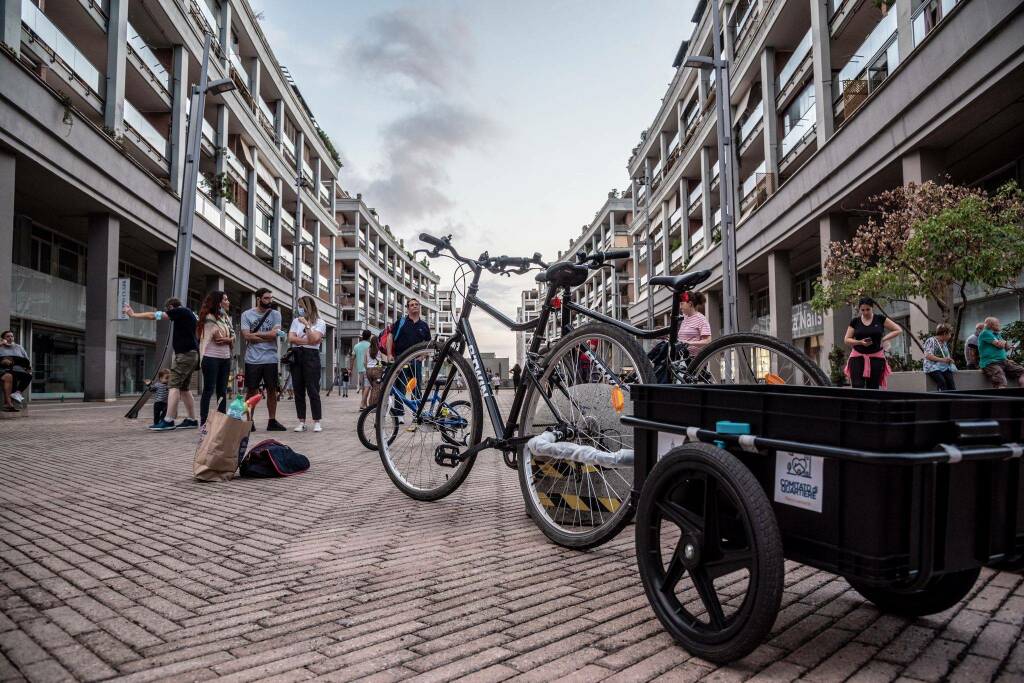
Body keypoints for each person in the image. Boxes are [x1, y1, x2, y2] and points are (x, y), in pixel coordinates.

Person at [124, 298, 199, 430]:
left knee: (173, 385)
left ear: (171, 307)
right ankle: (192, 420)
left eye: (168, 310)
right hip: (192, 354)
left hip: (185, 355)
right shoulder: (191, 314)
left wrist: (133, 314)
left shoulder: (180, 311)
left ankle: (168, 420)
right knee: (184, 388)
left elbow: (155, 315)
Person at [241, 288, 287, 431]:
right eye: (266, 298)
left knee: (272, 390)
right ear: (258, 299)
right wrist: (266, 335)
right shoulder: (247, 314)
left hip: (271, 358)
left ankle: (272, 421)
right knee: (251, 391)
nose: (270, 301)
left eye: (270, 298)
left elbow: (274, 335)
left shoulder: (275, 314)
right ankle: (250, 422)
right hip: (252, 359)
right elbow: (247, 336)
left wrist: (257, 335)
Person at [843, 297, 902, 389]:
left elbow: (898, 330)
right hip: (857, 357)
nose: (865, 312)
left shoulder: (880, 319)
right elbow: (847, 339)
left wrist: (883, 339)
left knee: (873, 387)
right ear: (859, 309)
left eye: (868, 309)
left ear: (872, 307)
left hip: (876, 357)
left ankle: (871, 403)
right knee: (857, 386)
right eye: (862, 310)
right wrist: (860, 342)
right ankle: (859, 403)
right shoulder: (855, 321)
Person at [386, 299, 431, 418]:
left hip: (416, 361)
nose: (414, 306)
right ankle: (399, 414)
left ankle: (418, 413)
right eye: (412, 305)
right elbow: (390, 337)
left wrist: (423, 356)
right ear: (408, 308)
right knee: (400, 387)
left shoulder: (424, 326)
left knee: (416, 388)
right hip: (401, 360)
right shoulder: (401, 322)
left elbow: (428, 344)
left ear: (419, 307)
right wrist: (389, 354)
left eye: (417, 304)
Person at [288, 295, 327, 432]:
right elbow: (291, 338)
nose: (299, 309)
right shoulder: (295, 321)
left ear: (308, 307)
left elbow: (315, 338)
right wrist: (309, 341)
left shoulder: (320, 322)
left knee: (313, 389)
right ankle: (301, 421)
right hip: (297, 354)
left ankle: (317, 421)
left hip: (311, 356)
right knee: (298, 389)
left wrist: (307, 325)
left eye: (301, 306)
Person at [197, 290, 235, 425]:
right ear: (219, 302)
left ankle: (221, 421)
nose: (228, 302)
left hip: (225, 358)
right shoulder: (209, 317)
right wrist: (229, 339)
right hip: (211, 358)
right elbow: (218, 338)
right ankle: (203, 422)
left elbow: (232, 336)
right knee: (208, 390)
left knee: (222, 391)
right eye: (225, 299)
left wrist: (229, 339)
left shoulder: (225, 318)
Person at [978, 317, 1024, 389]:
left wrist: (1008, 346)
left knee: (1022, 371)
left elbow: (1005, 346)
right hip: (991, 362)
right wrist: (1004, 343)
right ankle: (1001, 399)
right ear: (991, 325)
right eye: (997, 324)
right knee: (1001, 381)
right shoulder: (985, 333)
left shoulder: (997, 334)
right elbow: (1000, 345)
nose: (999, 325)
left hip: (1003, 361)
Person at [0, 330, 31, 412]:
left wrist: (28, 368)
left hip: (19, 369)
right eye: (8, 336)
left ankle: (17, 393)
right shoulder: (1, 347)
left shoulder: (19, 347)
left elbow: (26, 359)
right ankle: (11, 403)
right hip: (5, 369)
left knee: (28, 376)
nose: (10, 338)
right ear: (3, 338)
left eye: (12, 336)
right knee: (12, 376)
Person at [922, 323, 957, 391]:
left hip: (944, 367)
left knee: (952, 385)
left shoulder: (944, 343)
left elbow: (945, 355)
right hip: (932, 367)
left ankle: (951, 400)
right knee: (942, 383)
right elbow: (928, 355)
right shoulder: (931, 341)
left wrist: (949, 360)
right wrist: (943, 360)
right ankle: (943, 400)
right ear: (944, 333)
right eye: (949, 334)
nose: (950, 336)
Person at [352, 330, 372, 409]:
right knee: (368, 387)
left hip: (360, 370)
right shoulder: (370, 345)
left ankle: (364, 405)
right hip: (368, 369)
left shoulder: (356, 346)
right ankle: (362, 404)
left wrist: (350, 368)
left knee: (364, 387)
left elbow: (352, 357)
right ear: (369, 336)